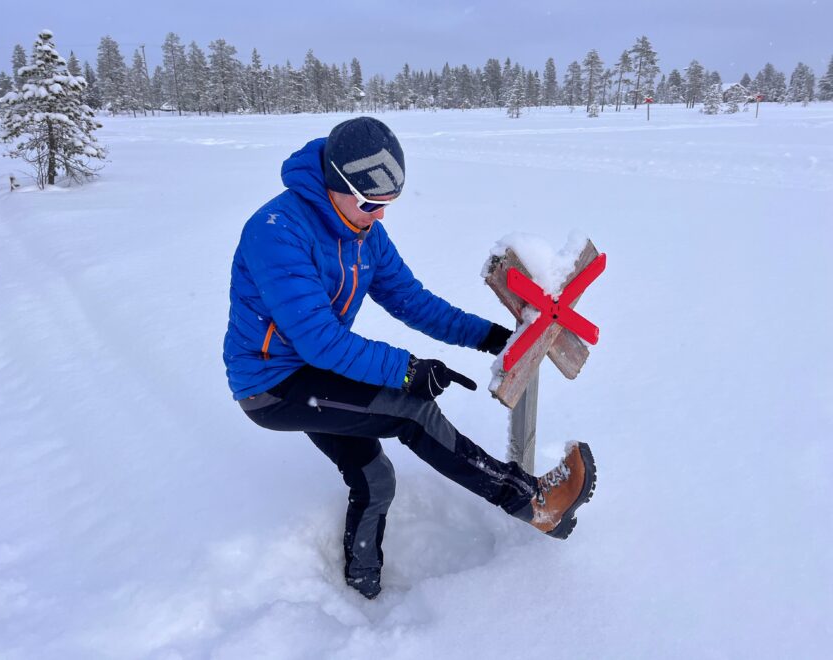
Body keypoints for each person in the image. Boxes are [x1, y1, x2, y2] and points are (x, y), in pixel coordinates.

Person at [223, 117, 596, 600]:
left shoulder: (362, 232)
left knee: (374, 477)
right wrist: (407, 370)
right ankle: (533, 502)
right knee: (412, 412)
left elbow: (410, 300)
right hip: (272, 385)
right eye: (370, 204)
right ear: (335, 183)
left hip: (316, 371)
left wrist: (490, 336)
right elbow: (320, 341)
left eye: (387, 206)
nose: (379, 216)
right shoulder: (277, 232)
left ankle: (362, 586)